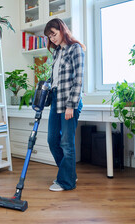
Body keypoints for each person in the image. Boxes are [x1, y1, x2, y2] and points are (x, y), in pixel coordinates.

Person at [43, 18, 85, 191]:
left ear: (62, 30)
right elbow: (56, 79)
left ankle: (66, 182)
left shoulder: (75, 49)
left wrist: (71, 105)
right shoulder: (57, 52)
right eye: (49, 36)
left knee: (67, 143)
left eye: (54, 34)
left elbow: (78, 79)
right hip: (56, 102)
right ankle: (68, 174)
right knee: (52, 140)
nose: (52, 38)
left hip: (69, 102)